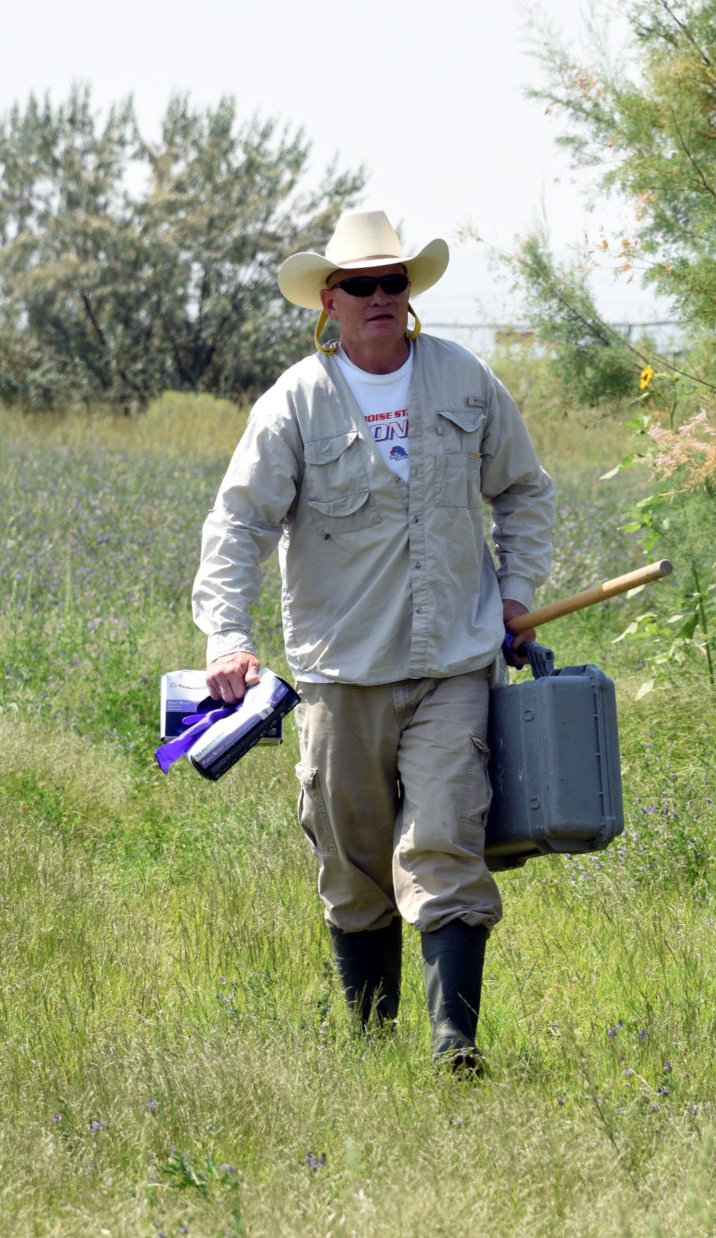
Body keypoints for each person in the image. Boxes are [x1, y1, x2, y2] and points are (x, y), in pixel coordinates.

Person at [192, 208, 556, 1065]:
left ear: (410, 292)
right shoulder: (294, 401)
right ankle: (369, 1043)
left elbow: (525, 491)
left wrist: (516, 592)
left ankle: (452, 1046)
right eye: (362, 285)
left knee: (445, 841)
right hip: (339, 672)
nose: (381, 296)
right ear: (330, 299)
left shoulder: (466, 380)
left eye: (394, 281)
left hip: (452, 665)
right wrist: (226, 637)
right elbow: (239, 523)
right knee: (353, 862)